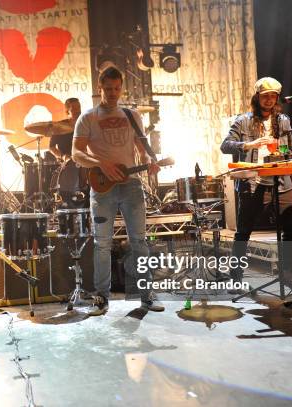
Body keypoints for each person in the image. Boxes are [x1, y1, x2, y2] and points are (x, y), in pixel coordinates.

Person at [72, 66, 164, 315]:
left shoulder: (132, 115)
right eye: (108, 89)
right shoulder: (88, 117)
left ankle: (147, 296)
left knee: (140, 242)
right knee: (102, 244)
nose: (112, 93)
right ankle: (101, 298)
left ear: (121, 87)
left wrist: (150, 160)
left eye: (116, 88)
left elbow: (142, 147)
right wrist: (100, 162)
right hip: (102, 188)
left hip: (131, 185)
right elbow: (76, 153)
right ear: (99, 88)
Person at [220, 77, 292, 291]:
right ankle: (235, 277)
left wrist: (279, 151)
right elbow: (225, 146)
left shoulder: (283, 120)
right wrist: (250, 144)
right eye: (265, 96)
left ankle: (287, 271)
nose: (269, 100)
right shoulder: (243, 120)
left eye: (273, 96)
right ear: (257, 97)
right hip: (253, 182)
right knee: (244, 231)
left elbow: (291, 150)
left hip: (280, 181)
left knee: (291, 227)